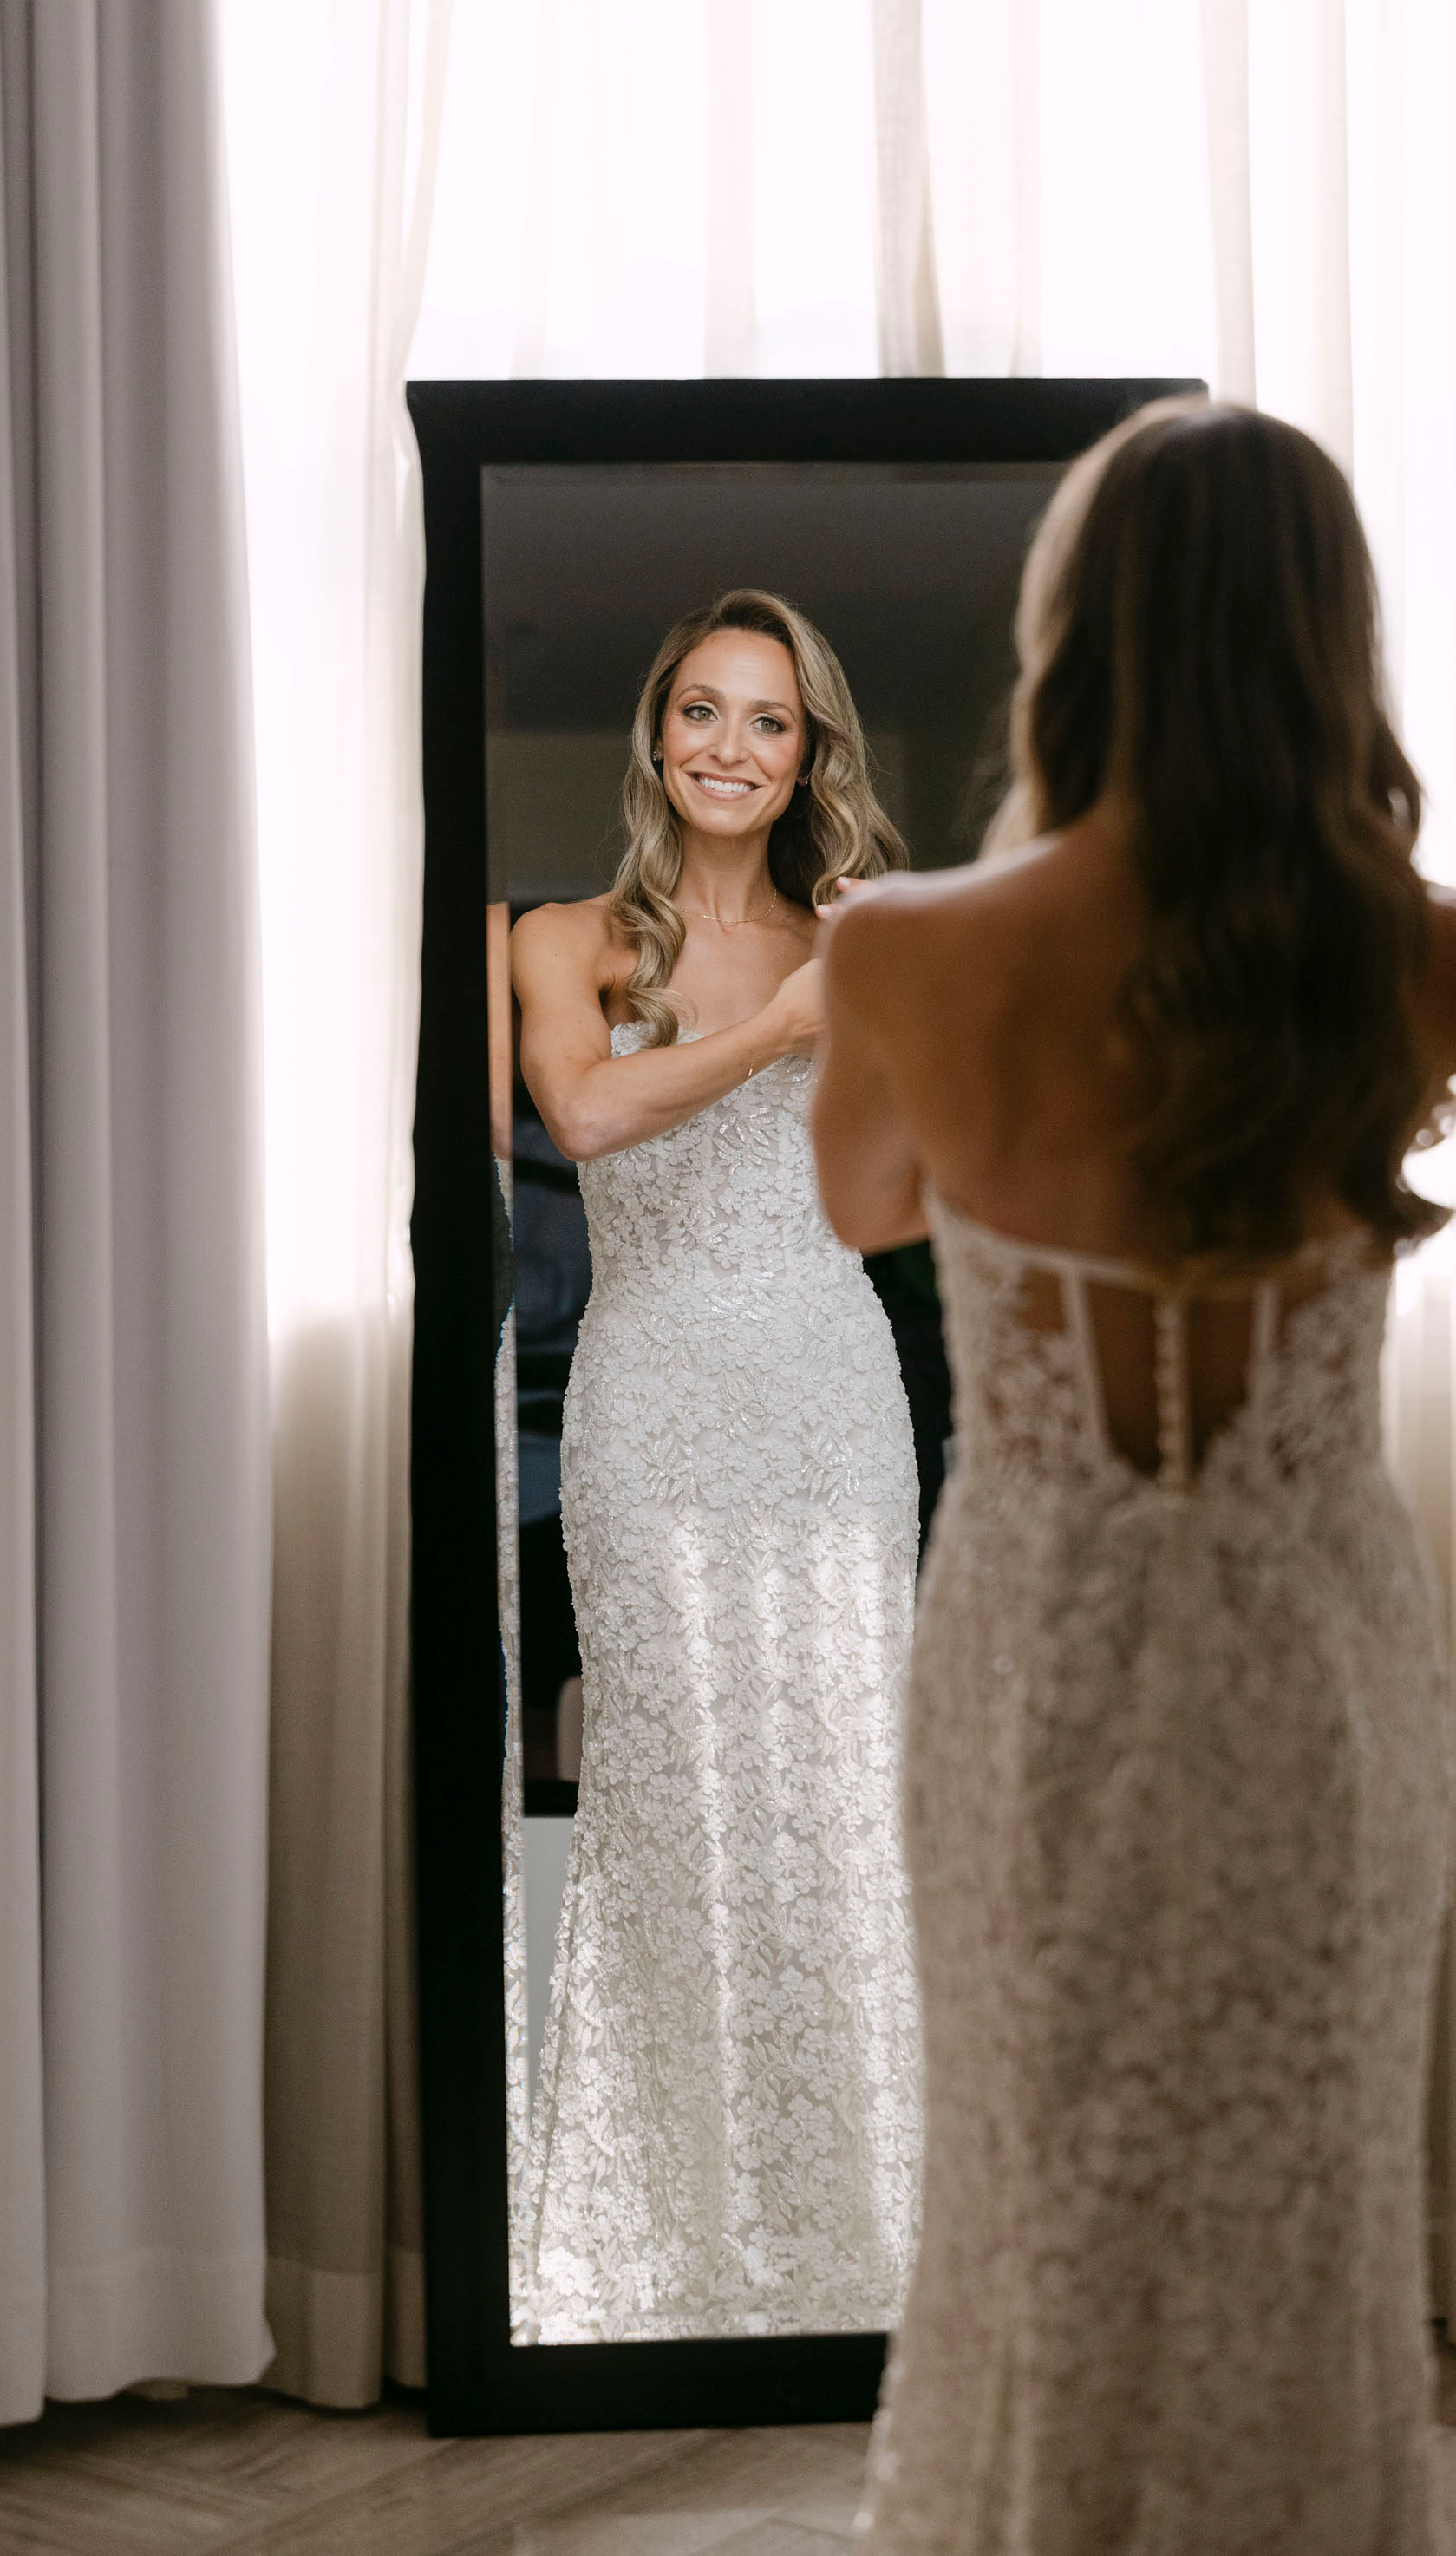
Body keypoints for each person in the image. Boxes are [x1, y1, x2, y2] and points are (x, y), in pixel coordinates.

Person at [811, 402, 1456, 2552]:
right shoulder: (1413, 954)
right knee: (1294, 2185)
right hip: (1307, 1666)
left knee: (1040, 2163)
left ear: (1076, 636)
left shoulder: (904, 949)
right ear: (1331, 644)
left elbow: (864, 1207)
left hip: (1034, 1663)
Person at [511, 588, 922, 2343]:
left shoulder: (866, 944)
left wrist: (898, 1012)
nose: (728, 747)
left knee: (841, 1797)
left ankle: (862, 2248)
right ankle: (663, 2252)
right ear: (656, 732)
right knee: (673, 1792)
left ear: (810, 754)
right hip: (652, 1401)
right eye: (701, 709)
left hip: (831, 1395)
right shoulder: (561, 937)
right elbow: (586, 1116)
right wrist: (780, 1027)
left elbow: (898, 1201)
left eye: (768, 720)